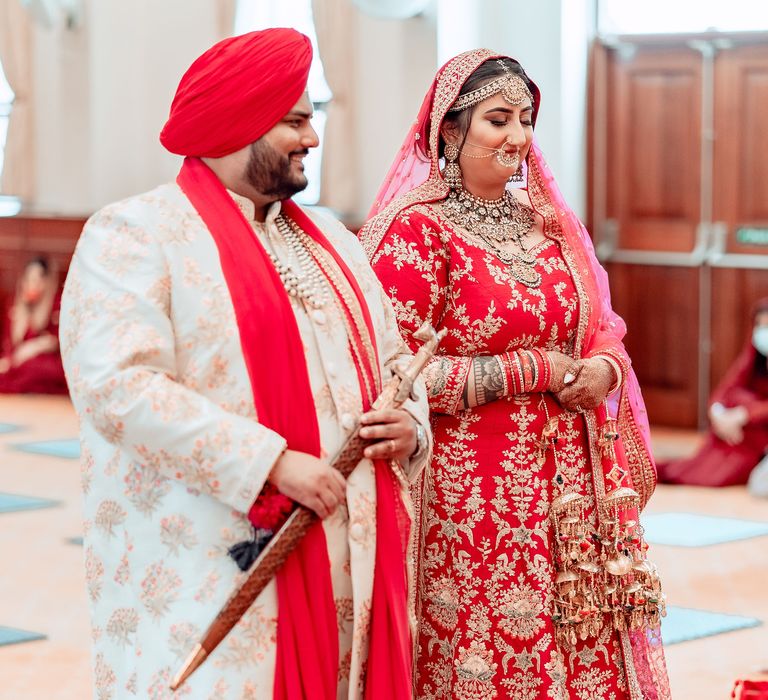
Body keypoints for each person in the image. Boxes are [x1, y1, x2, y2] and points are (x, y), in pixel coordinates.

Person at [59, 28, 431, 699]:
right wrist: (269, 463)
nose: (312, 138)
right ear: (240, 121)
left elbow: (399, 363)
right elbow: (118, 388)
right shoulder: (138, 234)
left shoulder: (335, 245)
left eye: (311, 117)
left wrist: (411, 426)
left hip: (351, 554)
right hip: (221, 557)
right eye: (294, 120)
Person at [359, 50, 670, 699]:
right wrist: (535, 369)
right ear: (451, 130)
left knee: (582, 654)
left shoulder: (550, 226)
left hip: (571, 490)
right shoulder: (416, 234)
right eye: (498, 120)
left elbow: (601, 325)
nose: (518, 137)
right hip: (472, 501)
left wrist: (606, 370)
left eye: (525, 119)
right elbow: (395, 378)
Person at [658, 298, 768, 488]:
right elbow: (726, 388)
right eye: (759, 325)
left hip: (755, 429)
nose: (763, 332)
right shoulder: (754, 352)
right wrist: (719, 414)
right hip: (736, 427)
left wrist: (744, 415)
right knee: (735, 399)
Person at [0, 256, 68, 394]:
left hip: (43, 362)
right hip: (17, 361)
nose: (33, 285)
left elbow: (55, 340)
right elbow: (9, 344)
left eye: (37, 280)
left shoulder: (56, 304)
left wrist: (32, 348)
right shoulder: (13, 303)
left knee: (35, 369)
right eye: (29, 280)